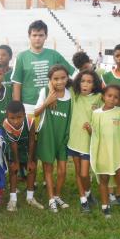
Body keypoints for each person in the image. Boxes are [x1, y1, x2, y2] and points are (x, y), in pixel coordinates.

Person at [87, 84, 120, 220]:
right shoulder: (96, 113)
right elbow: (95, 133)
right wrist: (89, 129)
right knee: (103, 180)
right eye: (109, 95)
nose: (112, 99)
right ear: (103, 96)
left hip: (118, 152)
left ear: (119, 100)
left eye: (116, 97)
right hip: (102, 152)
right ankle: (105, 206)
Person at [11, 20, 74, 120]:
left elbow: (73, 73)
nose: (37, 38)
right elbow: (17, 85)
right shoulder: (21, 57)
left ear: (46, 36)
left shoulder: (54, 55)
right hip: (29, 106)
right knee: (31, 135)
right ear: (29, 36)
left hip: (52, 104)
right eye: (34, 35)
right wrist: (18, 108)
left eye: (41, 35)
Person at [34, 64, 72, 213]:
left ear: (67, 78)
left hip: (62, 137)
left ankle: (57, 195)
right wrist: (47, 101)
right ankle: (51, 199)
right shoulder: (45, 92)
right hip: (47, 136)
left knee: (62, 170)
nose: (60, 82)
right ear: (50, 80)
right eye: (55, 79)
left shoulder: (71, 95)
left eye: (63, 78)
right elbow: (36, 113)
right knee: (48, 169)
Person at [68, 69, 102, 212]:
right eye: (82, 81)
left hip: (89, 142)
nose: (85, 84)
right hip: (74, 141)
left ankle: (88, 193)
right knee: (78, 172)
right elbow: (56, 80)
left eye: (89, 82)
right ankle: (83, 200)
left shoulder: (99, 97)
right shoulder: (74, 95)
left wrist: (92, 129)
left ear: (94, 85)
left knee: (84, 174)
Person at [1, 100, 43, 211]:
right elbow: (13, 144)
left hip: (27, 147)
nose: (15, 121)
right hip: (13, 148)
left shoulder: (30, 121)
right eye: (12, 118)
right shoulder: (6, 124)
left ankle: (30, 197)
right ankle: (13, 199)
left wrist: (30, 160)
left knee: (31, 169)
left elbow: (32, 141)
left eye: (19, 117)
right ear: (7, 117)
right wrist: (17, 163)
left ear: (24, 114)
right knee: (13, 171)